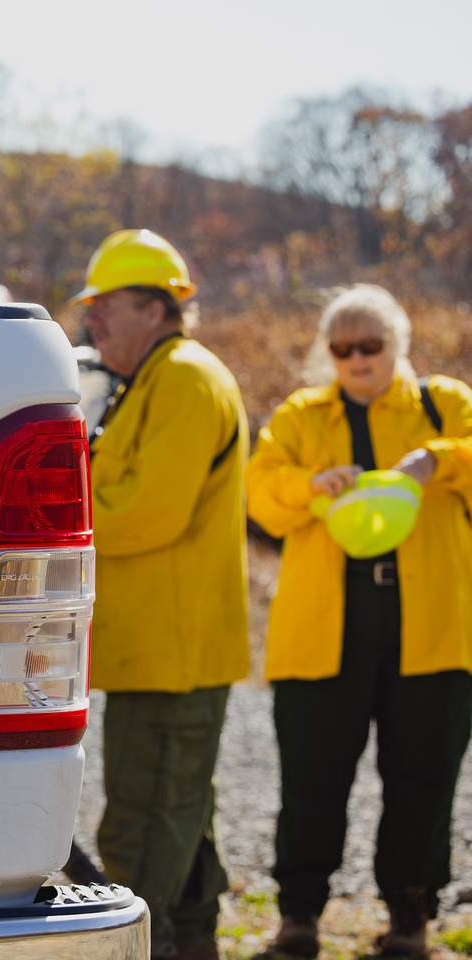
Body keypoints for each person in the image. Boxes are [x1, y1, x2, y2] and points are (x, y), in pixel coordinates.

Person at [247, 284, 472, 958]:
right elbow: (259, 490)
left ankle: (409, 920)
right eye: (341, 347)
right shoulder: (298, 417)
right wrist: (310, 485)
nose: (355, 358)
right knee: (312, 775)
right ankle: (298, 918)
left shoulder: (444, 405)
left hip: (429, 627)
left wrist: (440, 459)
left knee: (422, 775)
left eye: (368, 344)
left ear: (396, 345)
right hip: (323, 629)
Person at [78, 229, 250, 960]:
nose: (91, 321)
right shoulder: (149, 379)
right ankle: (191, 945)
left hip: (170, 656)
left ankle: (138, 950)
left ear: (155, 308)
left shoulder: (181, 378)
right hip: (158, 652)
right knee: (180, 815)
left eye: (105, 306)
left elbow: (145, 513)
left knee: (144, 825)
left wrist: (62, 502)